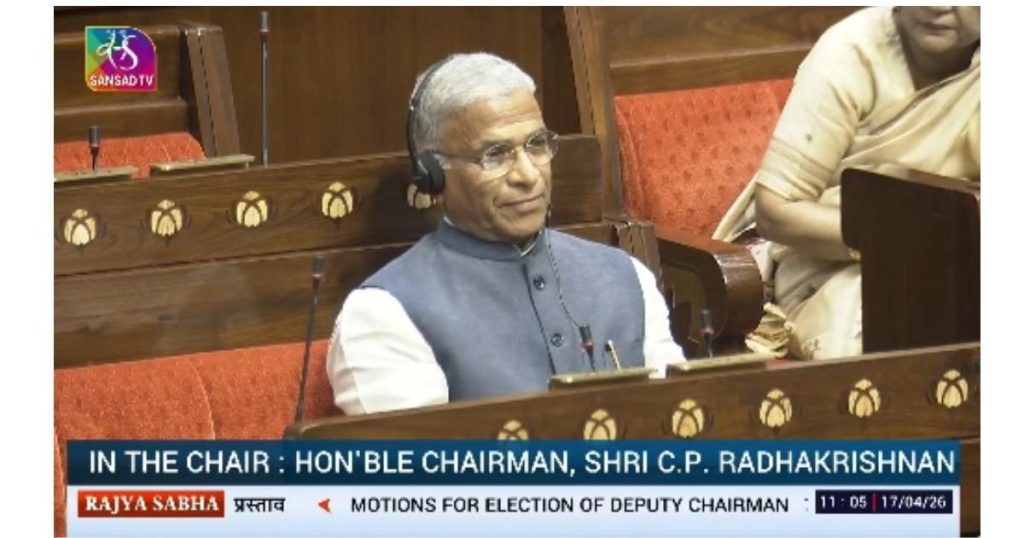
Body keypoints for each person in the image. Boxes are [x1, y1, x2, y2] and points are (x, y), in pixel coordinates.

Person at [327, 52, 684, 414]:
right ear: (433, 174)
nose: (528, 175)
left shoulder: (626, 277)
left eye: (537, 145)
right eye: (495, 155)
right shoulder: (383, 315)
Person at [714, 6, 980, 360]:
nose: (936, 5)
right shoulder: (850, 54)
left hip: (963, 260)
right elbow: (777, 212)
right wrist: (907, 240)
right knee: (904, 334)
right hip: (834, 271)